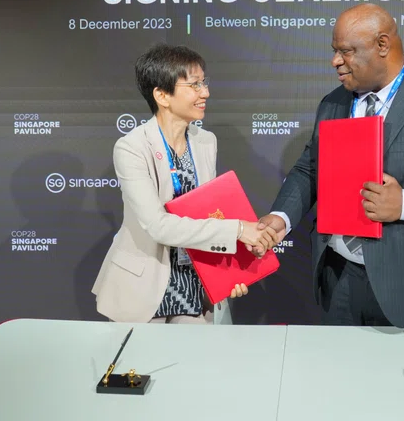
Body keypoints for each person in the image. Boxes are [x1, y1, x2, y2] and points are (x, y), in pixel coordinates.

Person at [260, 3, 404, 330]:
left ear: (382, 45)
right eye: (334, 51)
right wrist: (281, 218)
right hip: (338, 280)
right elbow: (310, 170)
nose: (335, 61)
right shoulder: (333, 103)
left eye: (346, 51)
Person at [92, 44, 277, 324]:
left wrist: (233, 269)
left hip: (196, 285)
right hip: (146, 287)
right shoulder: (131, 148)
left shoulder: (206, 141)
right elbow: (158, 226)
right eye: (194, 85)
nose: (205, 92)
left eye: (204, 83)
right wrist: (238, 230)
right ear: (162, 95)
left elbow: (212, 214)